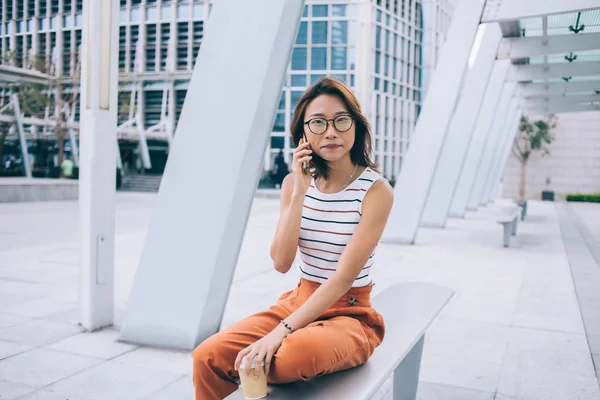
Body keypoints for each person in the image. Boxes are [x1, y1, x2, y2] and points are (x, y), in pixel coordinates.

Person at [191, 77, 394, 400]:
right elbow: (281, 262)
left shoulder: (376, 191)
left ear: (356, 126)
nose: (331, 131)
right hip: (299, 300)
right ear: (303, 134)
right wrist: (299, 191)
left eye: (341, 120)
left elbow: (343, 279)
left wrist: (280, 333)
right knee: (207, 356)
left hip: (351, 313)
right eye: (317, 123)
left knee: (285, 358)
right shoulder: (293, 185)